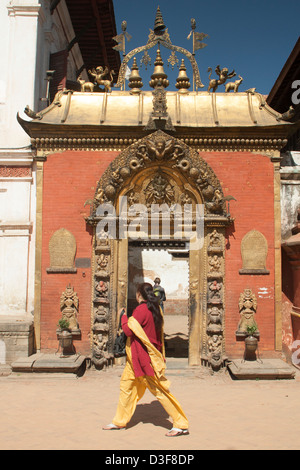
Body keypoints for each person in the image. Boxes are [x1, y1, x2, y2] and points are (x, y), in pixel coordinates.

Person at [103, 282, 189, 437]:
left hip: (144, 359)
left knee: (160, 391)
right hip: (135, 358)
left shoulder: (141, 310)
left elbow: (128, 330)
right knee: (126, 387)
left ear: (138, 295)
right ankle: (119, 420)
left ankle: (180, 423)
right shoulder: (156, 309)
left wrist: (123, 316)